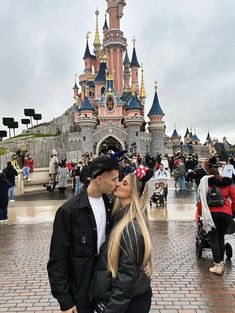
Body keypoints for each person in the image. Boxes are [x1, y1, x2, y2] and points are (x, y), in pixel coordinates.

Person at [47, 155, 120, 313]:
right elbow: (57, 260)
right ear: (99, 179)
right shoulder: (68, 211)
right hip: (80, 294)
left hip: (106, 291)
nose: (117, 183)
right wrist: (65, 300)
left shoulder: (112, 206)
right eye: (114, 179)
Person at [90, 165, 153, 313]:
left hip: (128, 304)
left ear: (134, 192)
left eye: (124, 183)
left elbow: (126, 280)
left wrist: (110, 310)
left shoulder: (130, 228)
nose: (117, 184)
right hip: (124, 300)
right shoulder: (119, 216)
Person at [197, 167, 235, 275]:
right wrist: (231, 211)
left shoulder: (205, 184)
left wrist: (200, 214)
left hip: (212, 215)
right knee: (220, 238)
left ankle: (217, 266)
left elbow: (201, 201)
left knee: (213, 239)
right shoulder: (226, 183)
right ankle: (221, 263)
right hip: (226, 215)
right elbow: (234, 197)